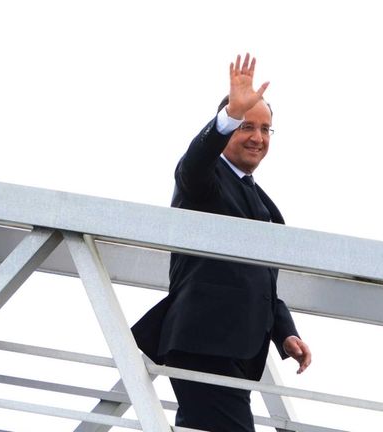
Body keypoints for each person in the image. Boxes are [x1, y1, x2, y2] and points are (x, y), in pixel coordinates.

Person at [131, 53, 312, 432]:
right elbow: (193, 164)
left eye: (265, 129)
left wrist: (286, 332)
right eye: (247, 126)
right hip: (203, 342)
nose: (258, 138)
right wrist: (227, 115)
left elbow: (260, 281)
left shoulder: (266, 206)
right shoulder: (204, 179)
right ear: (228, 129)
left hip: (239, 351)